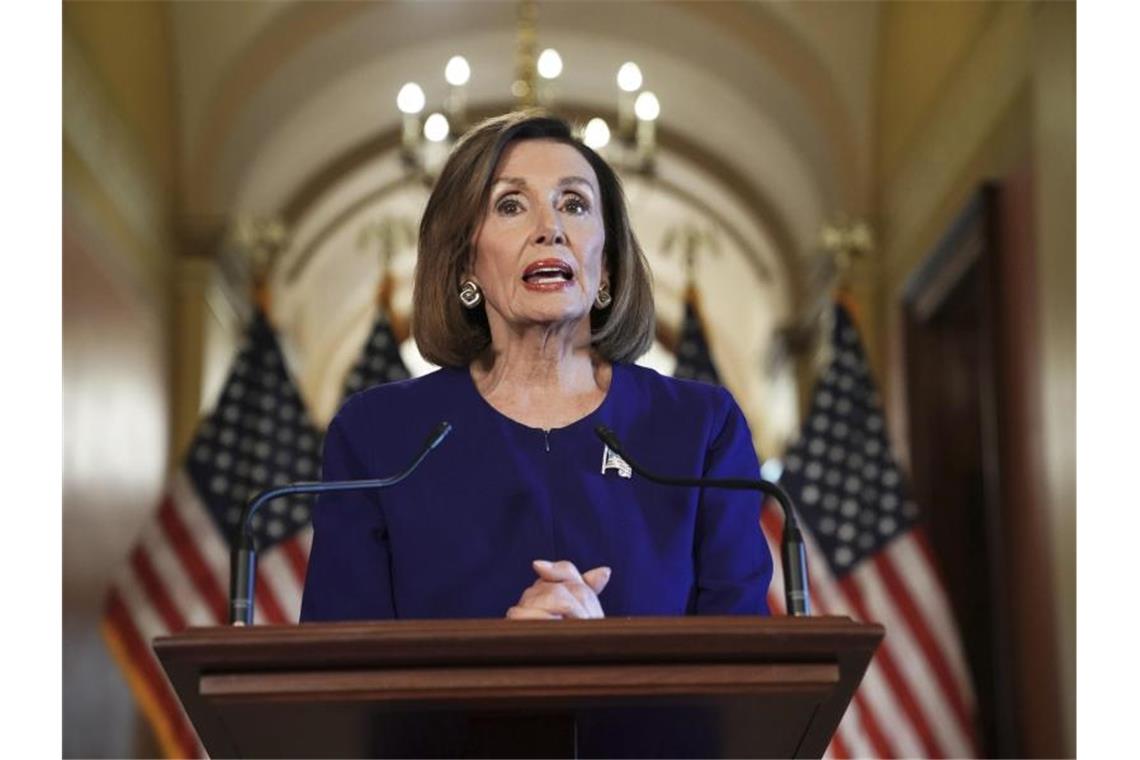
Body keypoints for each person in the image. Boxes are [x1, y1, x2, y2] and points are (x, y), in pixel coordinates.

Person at [300, 111, 772, 623]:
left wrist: (606, 662)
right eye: (510, 205)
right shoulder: (379, 437)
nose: (550, 229)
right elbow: (339, 676)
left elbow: (745, 672)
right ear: (464, 263)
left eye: (574, 204)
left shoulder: (700, 429)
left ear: (607, 264)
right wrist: (504, 667)